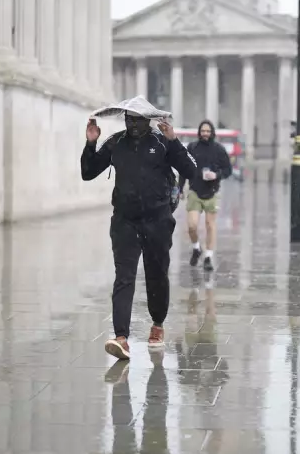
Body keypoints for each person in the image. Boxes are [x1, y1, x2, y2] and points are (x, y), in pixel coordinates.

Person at [81, 110, 197, 360]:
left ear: (148, 120)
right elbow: (88, 172)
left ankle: (157, 325)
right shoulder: (115, 143)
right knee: (124, 276)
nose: (133, 125)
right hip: (125, 221)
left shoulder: (162, 141)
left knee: (156, 275)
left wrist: (174, 141)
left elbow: (191, 169)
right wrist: (91, 143)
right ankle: (121, 337)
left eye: (137, 120)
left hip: (157, 220)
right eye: (129, 119)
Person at [179, 120, 232, 271]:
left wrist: (216, 175)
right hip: (195, 190)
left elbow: (228, 170)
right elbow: (184, 168)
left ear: (212, 133)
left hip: (212, 192)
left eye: (208, 131)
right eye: (203, 131)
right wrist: (180, 188)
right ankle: (196, 248)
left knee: (210, 225)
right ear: (199, 132)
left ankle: (208, 256)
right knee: (192, 225)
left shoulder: (219, 149)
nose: (205, 134)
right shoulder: (192, 148)